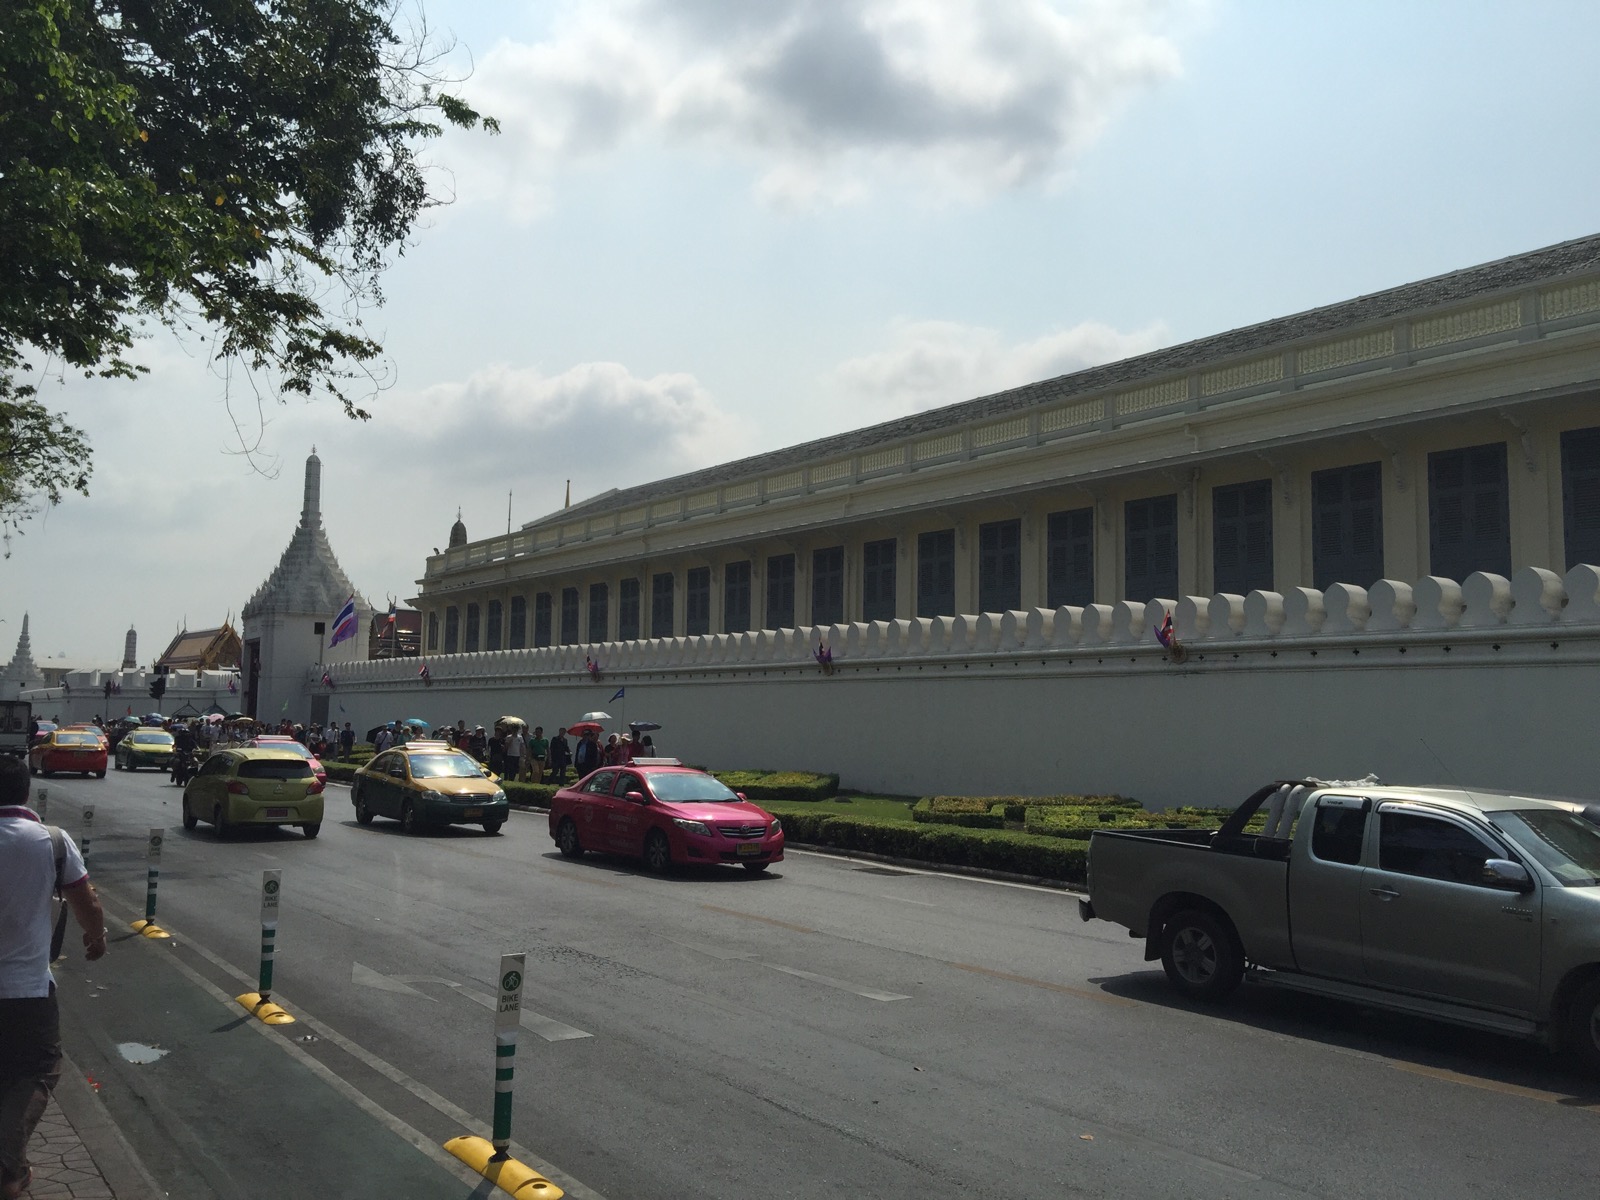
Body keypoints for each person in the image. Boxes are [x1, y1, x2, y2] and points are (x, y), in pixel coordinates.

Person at [0, 756, 107, 1200]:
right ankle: (6, 1166)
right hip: (27, 990)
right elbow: (87, 902)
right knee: (39, 1070)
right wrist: (96, 938)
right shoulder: (52, 841)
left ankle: (13, 1164)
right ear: (26, 792)